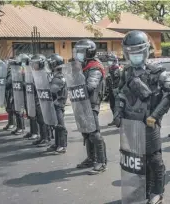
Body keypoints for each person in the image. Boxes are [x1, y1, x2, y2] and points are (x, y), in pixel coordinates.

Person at [114, 30, 170, 204]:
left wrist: (156, 115)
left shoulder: (157, 72)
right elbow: (120, 94)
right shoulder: (126, 72)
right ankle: (142, 188)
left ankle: (157, 192)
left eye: (138, 52)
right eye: (131, 53)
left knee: (154, 159)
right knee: (136, 158)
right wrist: (117, 113)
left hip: (149, 123)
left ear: (145, 51)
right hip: (130, 123)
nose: (134, 56)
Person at [73, 39, 107, 175]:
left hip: (91, 103)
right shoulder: (83, 65)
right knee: (86, 133)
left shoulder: (95, 67)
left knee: (94, 133)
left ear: (89, 52)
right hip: (82, 103)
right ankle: (91, 158)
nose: (79, 54)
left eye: (81, 51)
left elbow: (90, 86)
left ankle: (101, 161)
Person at [46, 53, 68, 154]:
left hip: (59, 103)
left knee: (60, 125)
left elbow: (52, 90)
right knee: (56, 125)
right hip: (54, 103)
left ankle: (62, 145)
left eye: (51, 63)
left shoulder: (59, 77)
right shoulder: (54, 75)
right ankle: (57, 143)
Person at [31, 54, 52, 147]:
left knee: (44, 119)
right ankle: (42, 137)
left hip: (44, 99)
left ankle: (46, 138)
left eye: (35, 63)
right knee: (39, 119)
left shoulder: (46, 73)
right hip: (38, 98)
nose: (33, 65)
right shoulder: (37, 72)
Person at [106, 53, 121, 126]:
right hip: (111, 91)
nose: (109, 62)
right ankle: (115, 119)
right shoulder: (110, 69)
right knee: (112, 105)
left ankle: (119, 120)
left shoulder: (118, 70)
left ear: (114, 61)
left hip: (117, 91)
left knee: (117, 106)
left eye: (110, 60)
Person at [3, 58, 16, 131]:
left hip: (11, 92)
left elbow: (8, 83)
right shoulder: (6, 72)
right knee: (8, 108)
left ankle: (12, 124)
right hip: (7, 92)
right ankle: (10, 123)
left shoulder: (11, 73)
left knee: (11, 108)